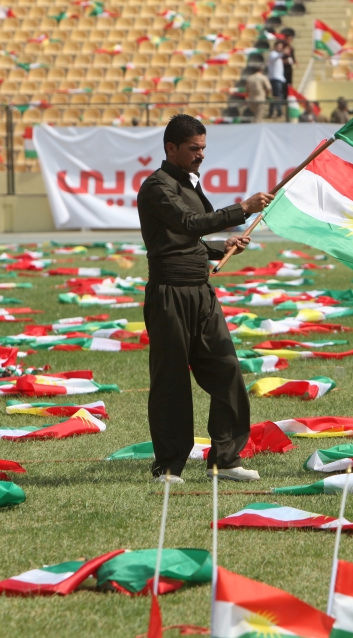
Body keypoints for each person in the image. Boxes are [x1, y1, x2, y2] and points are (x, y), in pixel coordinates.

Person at [136, 114, 275, 483]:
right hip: (170, 295)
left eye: (203, 148)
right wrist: (242, 209)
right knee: (171, 382)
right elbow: (187, 225)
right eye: (193, 148)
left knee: (227, 370)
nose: (201, 154)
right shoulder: (156, 187)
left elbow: (191, 241)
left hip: (201, 294)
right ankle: (168, 467)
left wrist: (219, 248)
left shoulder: (190, 184)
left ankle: (225, 460)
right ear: (171, 148)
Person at [267, 41, 287, 119]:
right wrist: (282, 52)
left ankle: (271, 112)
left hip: (279, 78)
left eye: (281, 46)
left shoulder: (278, 55)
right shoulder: (273, 54)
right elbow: (275, 57)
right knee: (277, 96)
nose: (280, 48)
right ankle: (279, 112)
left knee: (275, 96)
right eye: (278, 46)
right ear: (275, 46)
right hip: (275, 78)